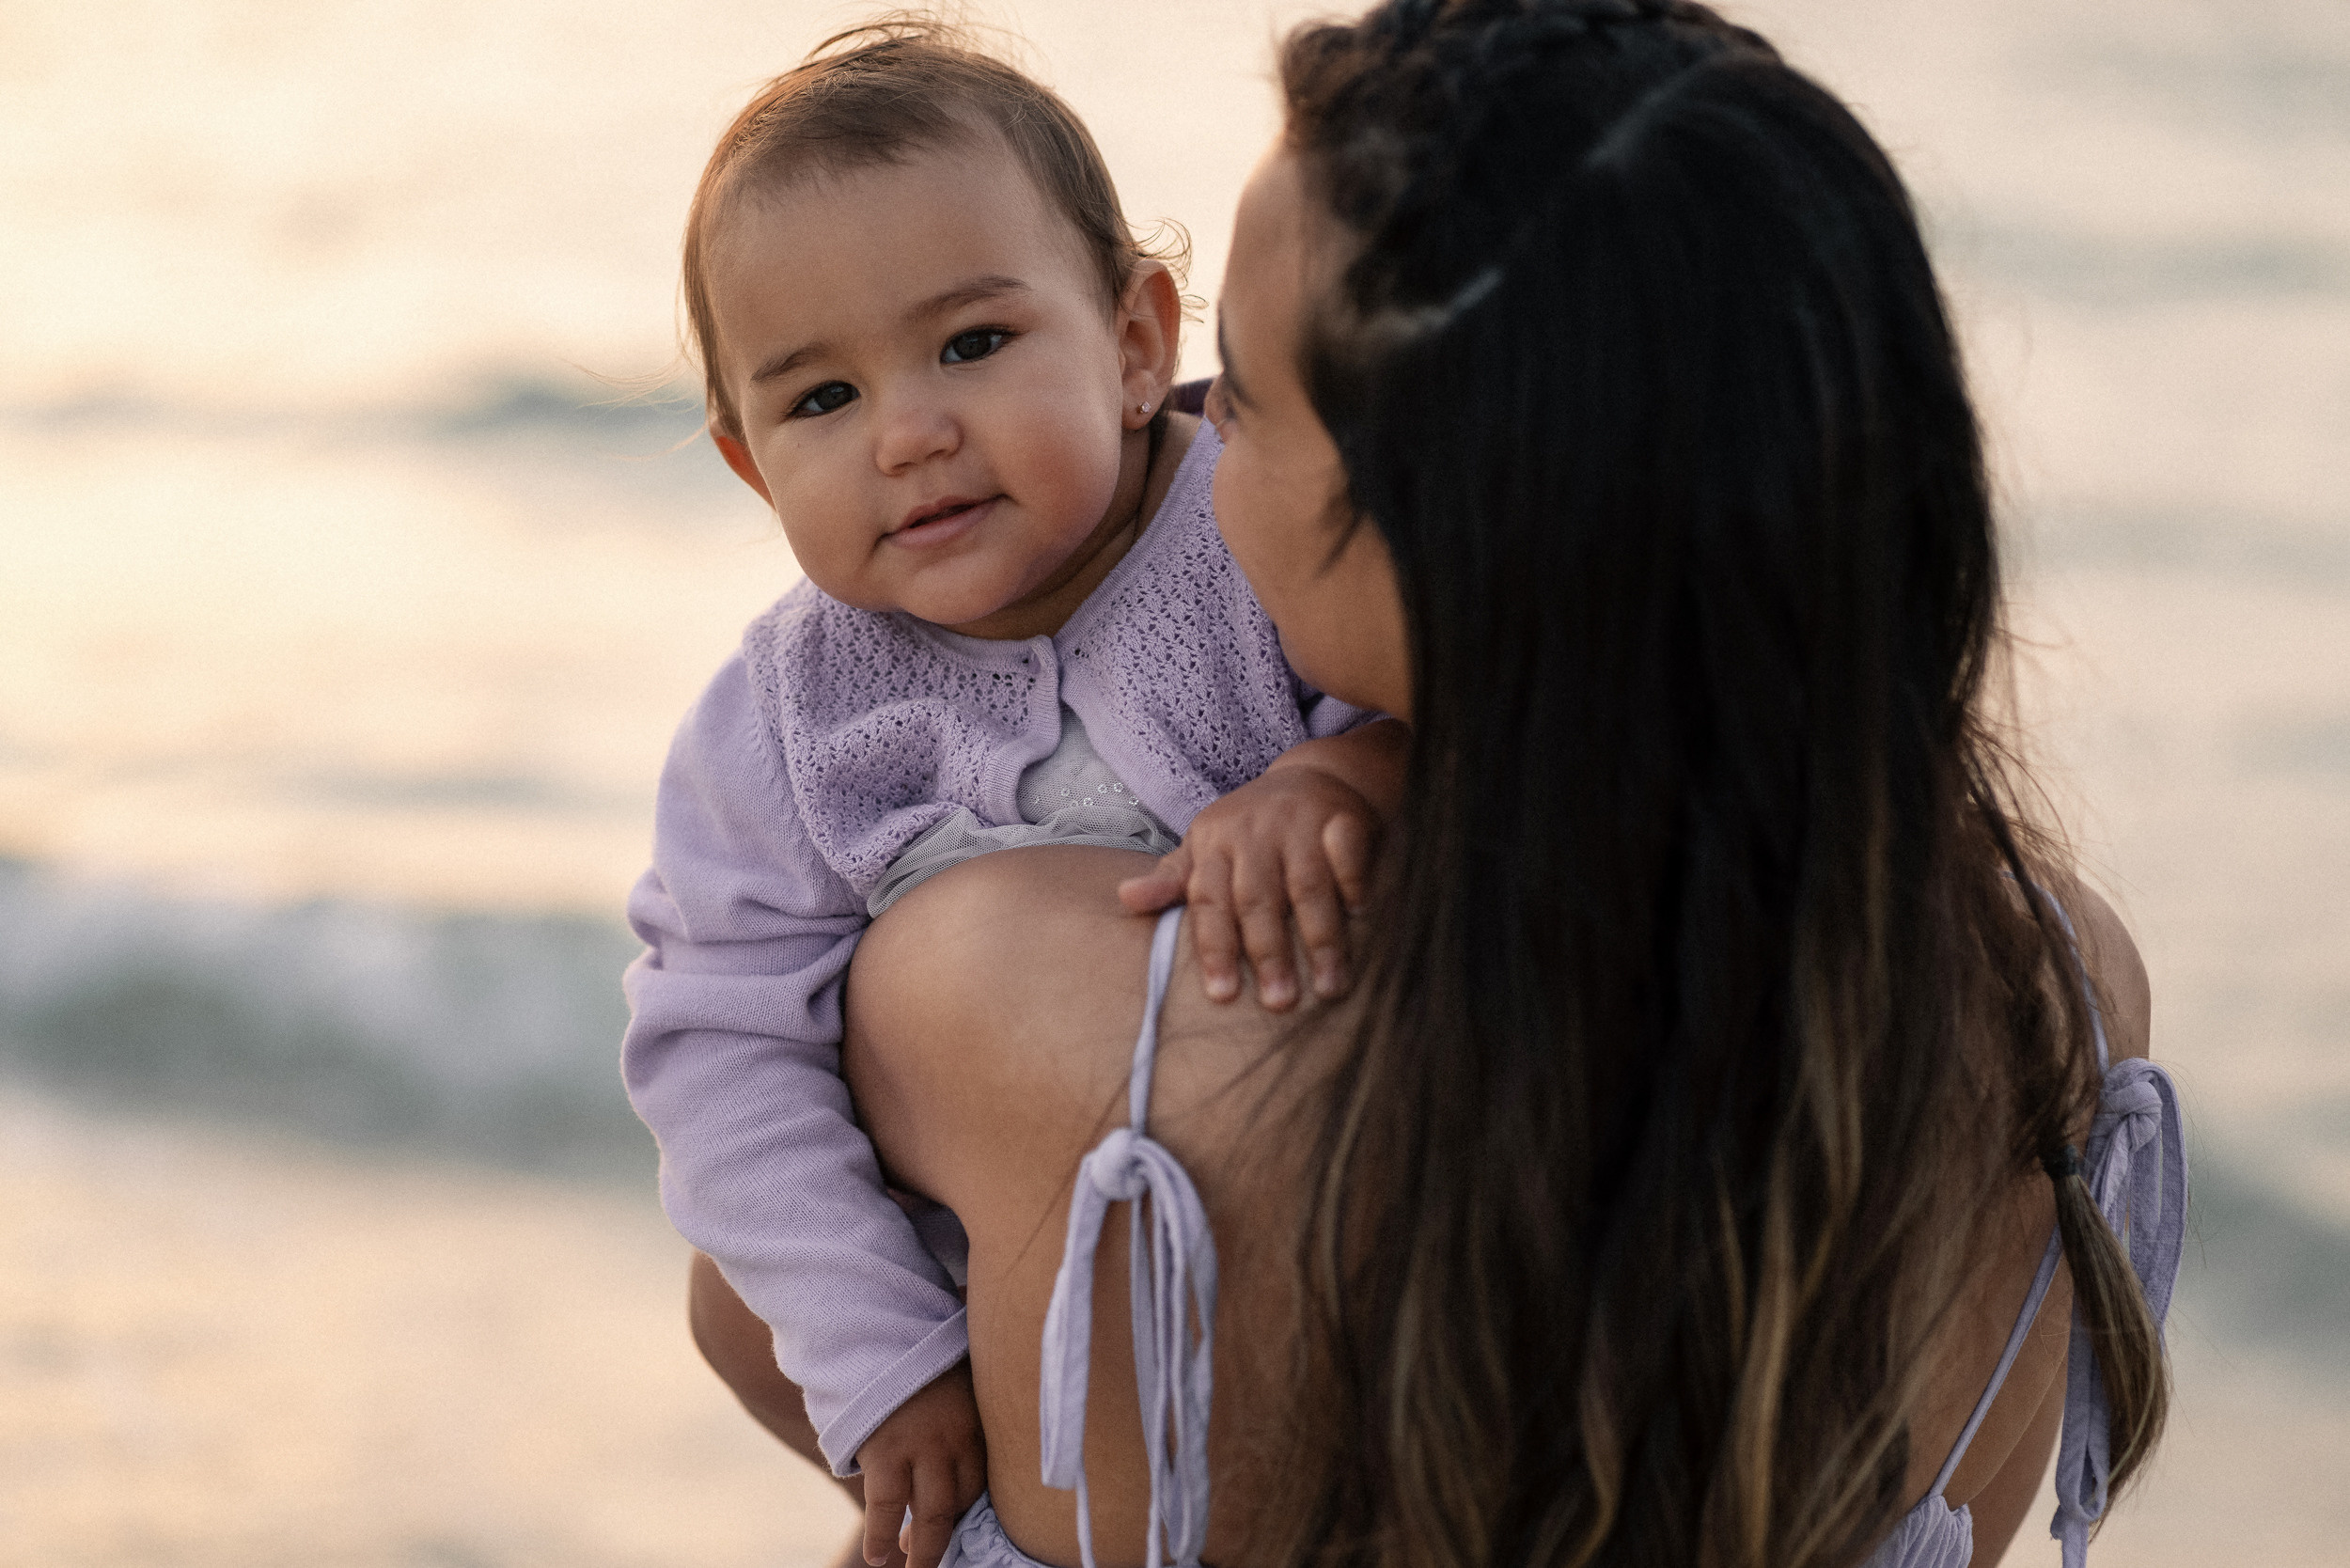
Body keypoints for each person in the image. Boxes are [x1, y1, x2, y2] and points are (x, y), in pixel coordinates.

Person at [692, 4, 2188, 1566]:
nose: (1185, 433)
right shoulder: (2044, 980)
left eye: (1245, 399)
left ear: (1449, 514)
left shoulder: (1033, 990)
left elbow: (747, 1310)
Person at [623, 24, 1409, 1567]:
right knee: (739, 1306)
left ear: (1133, 344)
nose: (909, 433)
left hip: (1278, 1209)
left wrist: (1341, 773)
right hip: (974, 1265)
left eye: (972, 345)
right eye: (821, 401)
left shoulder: (1247, 540)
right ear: (748, 464)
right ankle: (964, 1514)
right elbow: (718, 1041)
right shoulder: (785, 713)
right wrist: (879, 1364)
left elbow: (1454, 710)